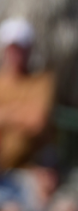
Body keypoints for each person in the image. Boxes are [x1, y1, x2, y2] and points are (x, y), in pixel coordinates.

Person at [0, 18, 55, 172]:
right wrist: (19, 112)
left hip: (28, 169)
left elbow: (37, 120)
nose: (16, 54)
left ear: (29, 49)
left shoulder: (41, 81)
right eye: (13, 48)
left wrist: (4, 114)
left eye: (21, 48)